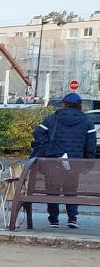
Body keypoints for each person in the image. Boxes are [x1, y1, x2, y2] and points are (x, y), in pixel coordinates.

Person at [27, 92, 98, 228]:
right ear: (79, 105)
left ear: (64, 104)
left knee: (52, 189)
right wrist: (87, 163)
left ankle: (54, 219)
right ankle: (72, 218)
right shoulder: (87, 122)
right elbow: (91, 145)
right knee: (71, 189)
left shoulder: (52, 119)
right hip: (74, 162)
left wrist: (49, 147)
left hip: (53, 161)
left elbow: (37, 134)